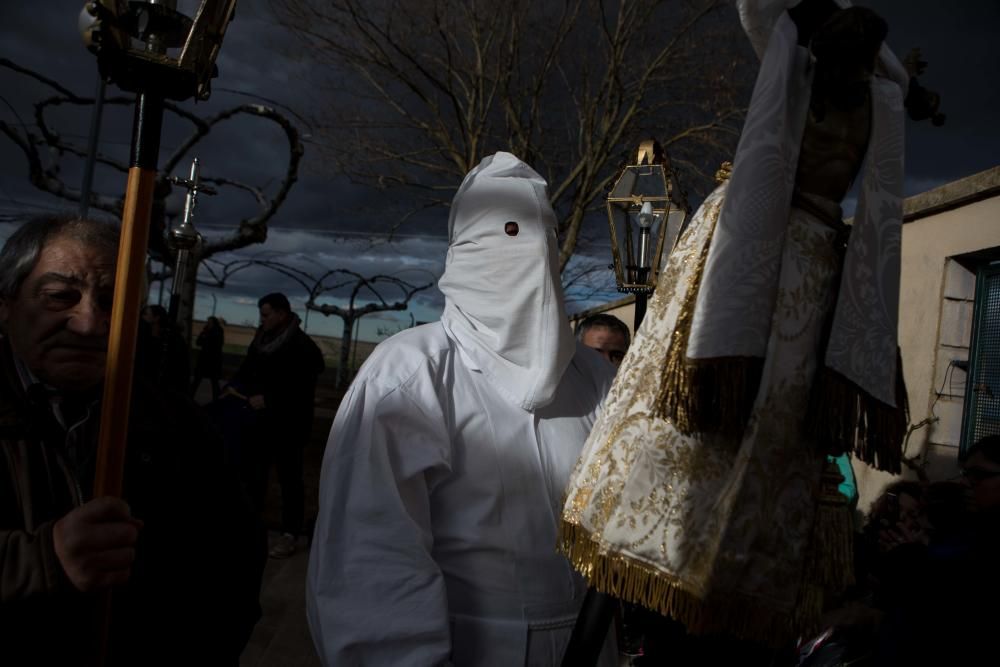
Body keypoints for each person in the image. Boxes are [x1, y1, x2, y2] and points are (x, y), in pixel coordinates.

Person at [560, 0, 913, 654]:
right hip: (780, 257)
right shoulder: (844, 70)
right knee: (722, 433)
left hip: (790, 263)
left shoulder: (844, 74)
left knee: (751, 433)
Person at [306, 152, 617, 666]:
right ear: (462, 251)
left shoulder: (597, 377)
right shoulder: (409, 377)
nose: (531, 252)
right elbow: (372, 570)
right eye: (508, 232)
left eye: (545, 234)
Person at [0, 214, 263, 666]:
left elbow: (232, 564)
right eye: (60, 297)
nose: (89, 324)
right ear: (5, 304)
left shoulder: (176, 421)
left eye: (112, 302)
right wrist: (43, 559)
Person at [228, 292, 324, 559]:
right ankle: (249, 527)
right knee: (253, 476)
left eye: (266, 314)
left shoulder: (302, 346)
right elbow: (248, 368)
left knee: (289, 479)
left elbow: (301, 387)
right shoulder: (262, 339)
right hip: (259, 423)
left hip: (288, 426)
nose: (263, 319)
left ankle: (290, 533)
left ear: (282, 314)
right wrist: (234, 386)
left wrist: (269, 398)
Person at [136, 302, 190, 393]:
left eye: (145, 314)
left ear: (156, 318)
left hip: (164, 387)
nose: (142, 317)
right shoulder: (146, 334)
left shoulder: (171, 338)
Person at [192, 316, 225, 401]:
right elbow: (198, 342)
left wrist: (205, 338)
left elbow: (214, 344)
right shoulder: (206, 331)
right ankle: (190, 397)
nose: (208, 324)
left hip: (213, 361)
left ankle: (216, 401)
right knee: (197, 380)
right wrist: (204, 336)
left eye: (209, 322)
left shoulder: (218, 331)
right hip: (204, 360)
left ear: (214, 323)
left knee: (214, 383)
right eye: (207, 322)